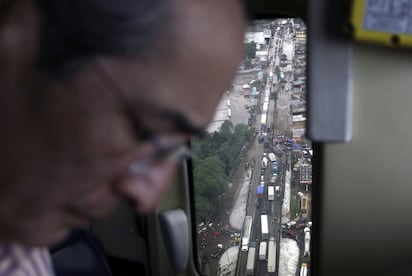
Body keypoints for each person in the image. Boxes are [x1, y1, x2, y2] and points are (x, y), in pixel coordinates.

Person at [0, 0, 247, 274]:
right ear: (17, 39)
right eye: (147, 131)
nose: (148, 198)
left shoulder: (23, 252)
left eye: (175, 150)